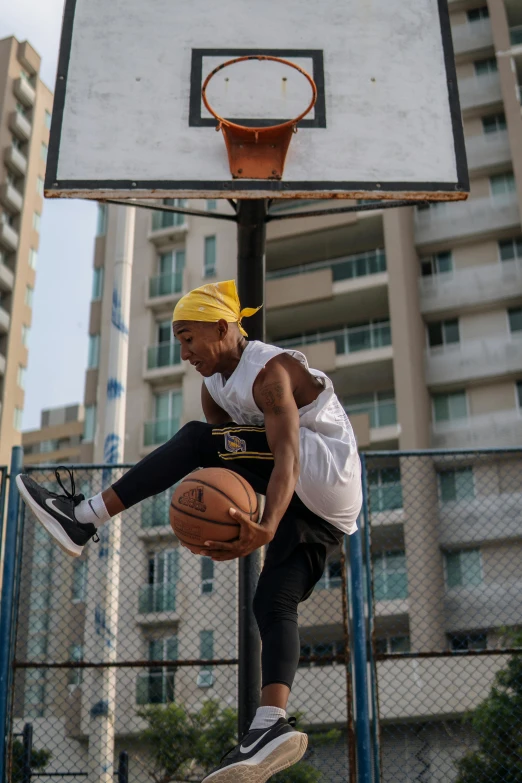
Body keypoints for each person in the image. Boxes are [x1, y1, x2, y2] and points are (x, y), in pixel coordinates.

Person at [17, 280, 362, 783]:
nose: (182, 352)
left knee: (197, 441)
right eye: (177, 340)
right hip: (330, 509)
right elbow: (234, 477)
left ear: (223, 329)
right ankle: (271, 725)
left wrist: (265, 525)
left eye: (188, 337)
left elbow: (283, 454)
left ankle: (84, 516)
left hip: (321, 466)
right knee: (272, 601)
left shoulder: (269, 372)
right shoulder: (215, 388)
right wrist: (229, 528)